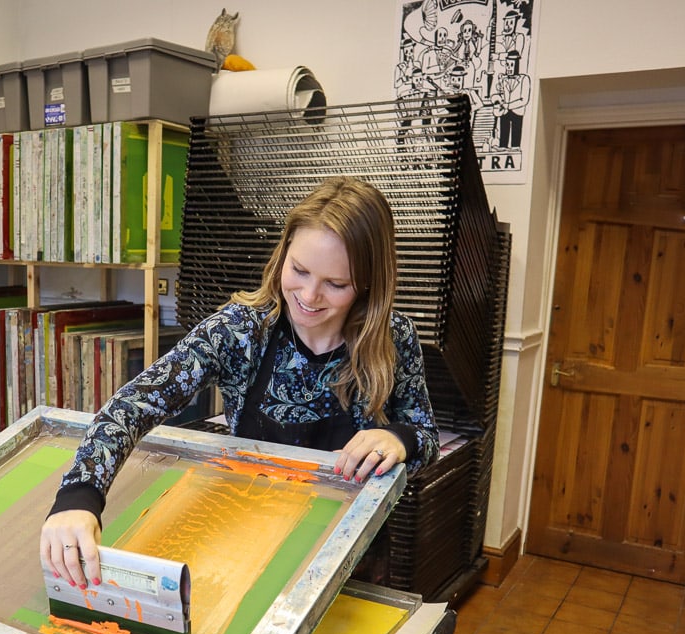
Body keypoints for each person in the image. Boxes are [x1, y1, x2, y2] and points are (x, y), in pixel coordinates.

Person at [40, 177, 439, 589]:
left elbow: (425, 434)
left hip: (350, 555)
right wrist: (79, 497)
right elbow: (132, 406)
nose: (309, 294)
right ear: (283, 253)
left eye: (336, 284)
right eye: (299, 270)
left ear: (369, 283)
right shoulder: (241, 330)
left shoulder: (394, 338)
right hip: (248, 546)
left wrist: (400, 438)